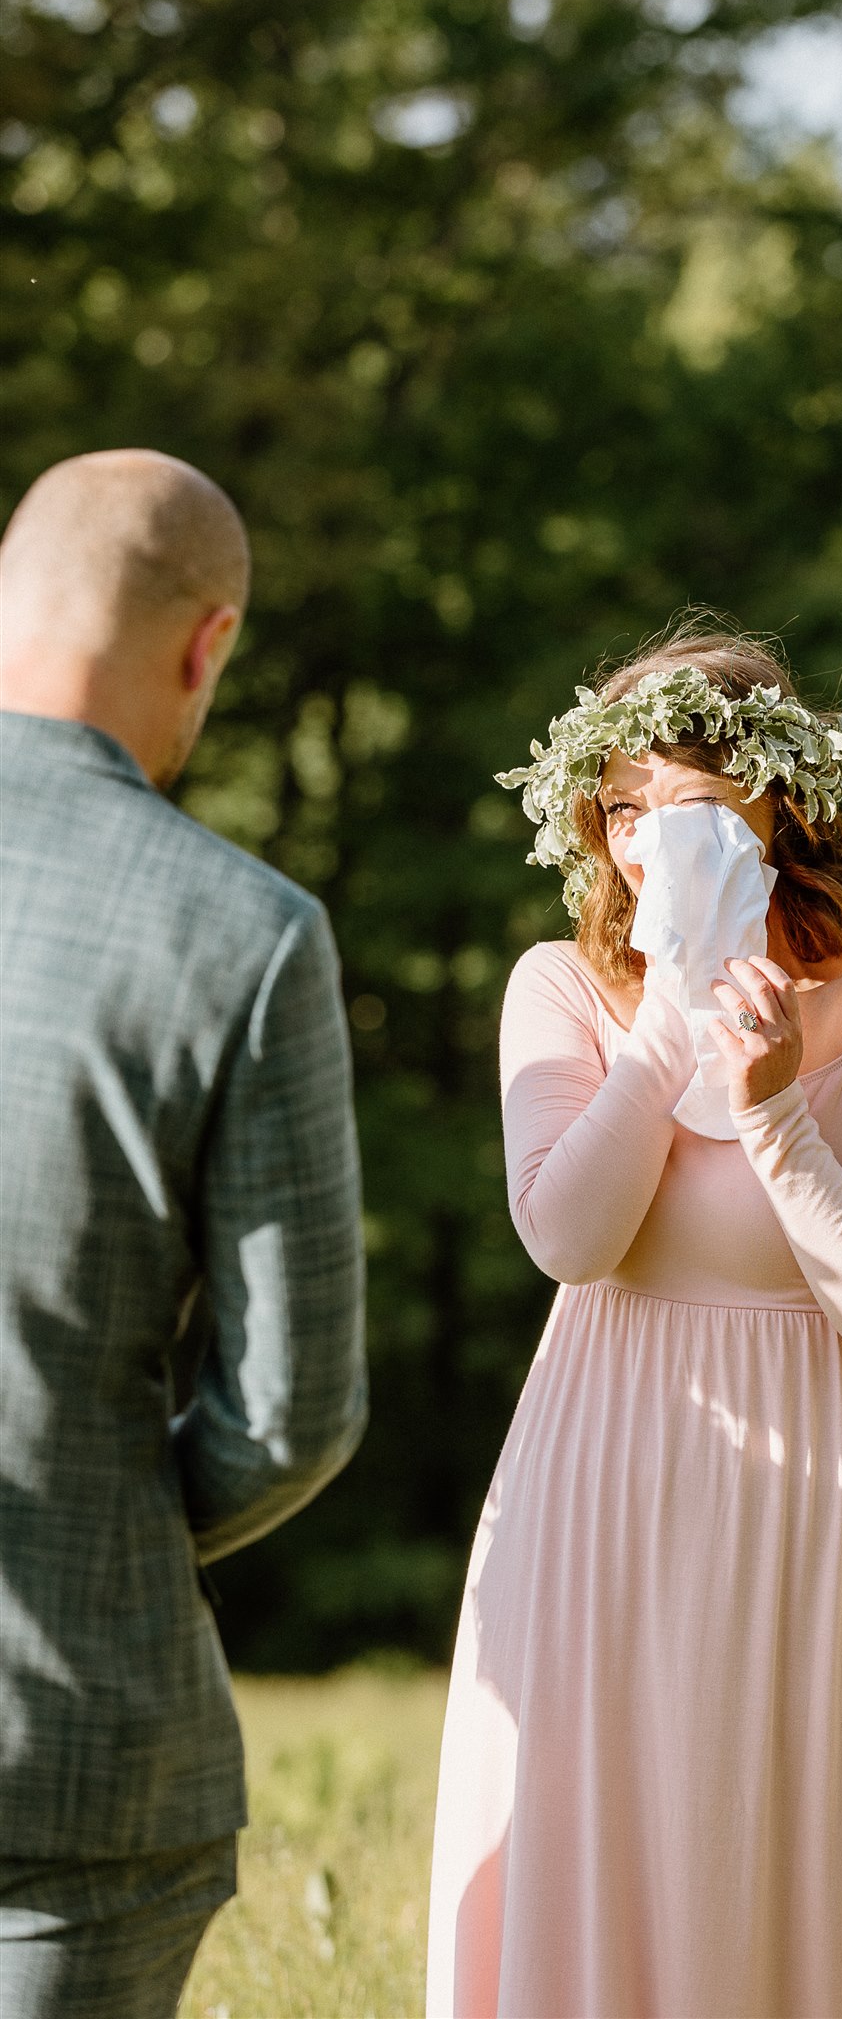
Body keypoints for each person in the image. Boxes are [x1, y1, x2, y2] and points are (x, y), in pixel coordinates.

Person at [427, 625, 842, 2018]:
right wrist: (672, 1016)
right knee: (598, 1841)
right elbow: (570, 1237)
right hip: (600, 1486)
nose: (645, 841)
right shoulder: (561, 990)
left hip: (820, 1510)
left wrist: (776, 1110)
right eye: (622, 808)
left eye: (686, 804)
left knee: (775, 1858)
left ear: (777, 807)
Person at [0, 450, 368, 2019]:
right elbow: (289, 1414)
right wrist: (109, 1529)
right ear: (208, 645)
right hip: (72, 1759)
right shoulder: (244, 935)